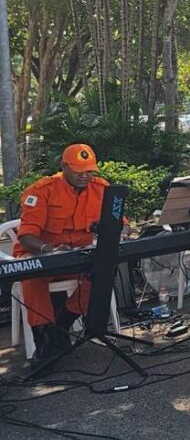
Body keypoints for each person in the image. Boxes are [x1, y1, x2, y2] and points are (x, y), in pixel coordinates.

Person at [13, 144, 118, 362]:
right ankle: (43, 339)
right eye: (79, 171)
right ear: (63, 166)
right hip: (42, 254)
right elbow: (26, 236)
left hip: (80, 257)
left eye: (89, 171)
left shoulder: (101, 189)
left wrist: (120, 232)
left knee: (103, 272)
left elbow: (120, 223)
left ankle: (62, 324)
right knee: (32, 277)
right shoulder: (41, 191)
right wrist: (49, 250)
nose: (85, 176)